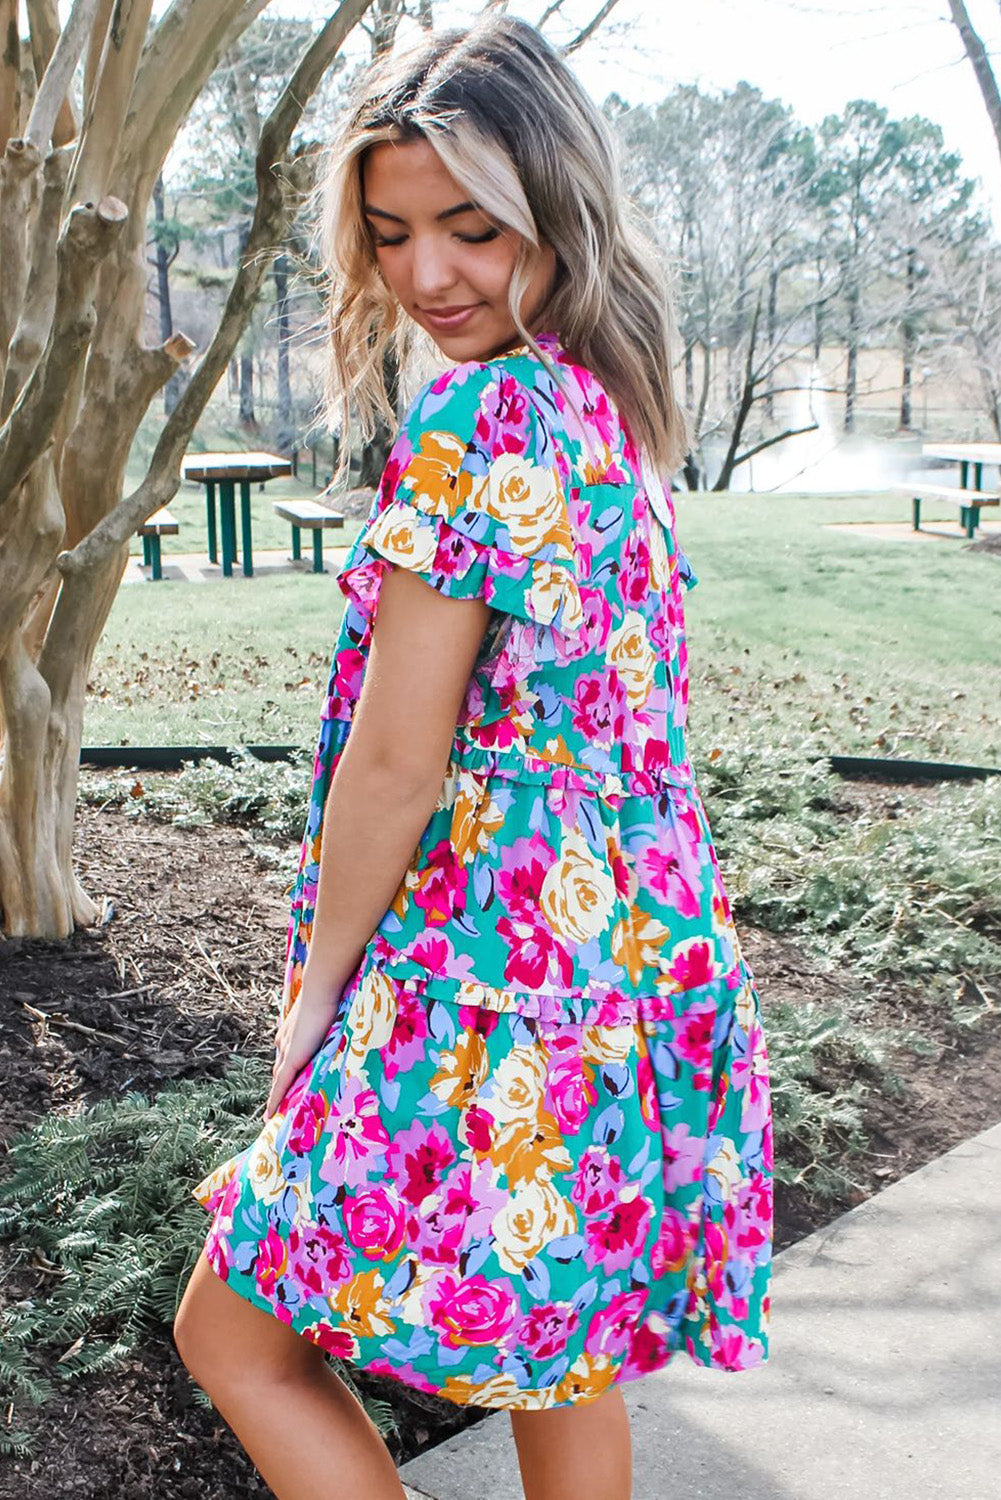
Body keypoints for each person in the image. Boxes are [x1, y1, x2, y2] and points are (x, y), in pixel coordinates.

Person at [173, 13, 773, 1500]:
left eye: (468, 226)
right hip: (634, 969)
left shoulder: (483, 416)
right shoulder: (608, 409)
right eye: (387, 235)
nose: (426, 274)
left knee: (233, 1339)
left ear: (552, 206)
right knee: (568, 1364)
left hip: (487, 976)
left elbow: (395, 762)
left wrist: (315, 992)